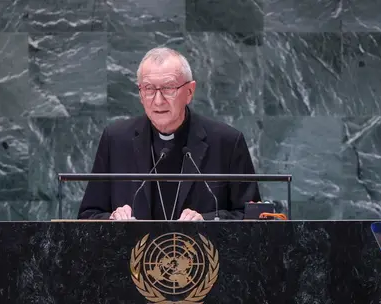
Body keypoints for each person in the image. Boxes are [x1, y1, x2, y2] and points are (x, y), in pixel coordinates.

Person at [77, 47, 261, 221]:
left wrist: (207, 220)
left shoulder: (227, 142)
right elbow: (88, 215)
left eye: (168, 89)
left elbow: (253, 217)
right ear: (140, 94)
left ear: (189, 92)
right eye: (149, 89)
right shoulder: (116, 140)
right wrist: (112, 219)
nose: (158, 101)